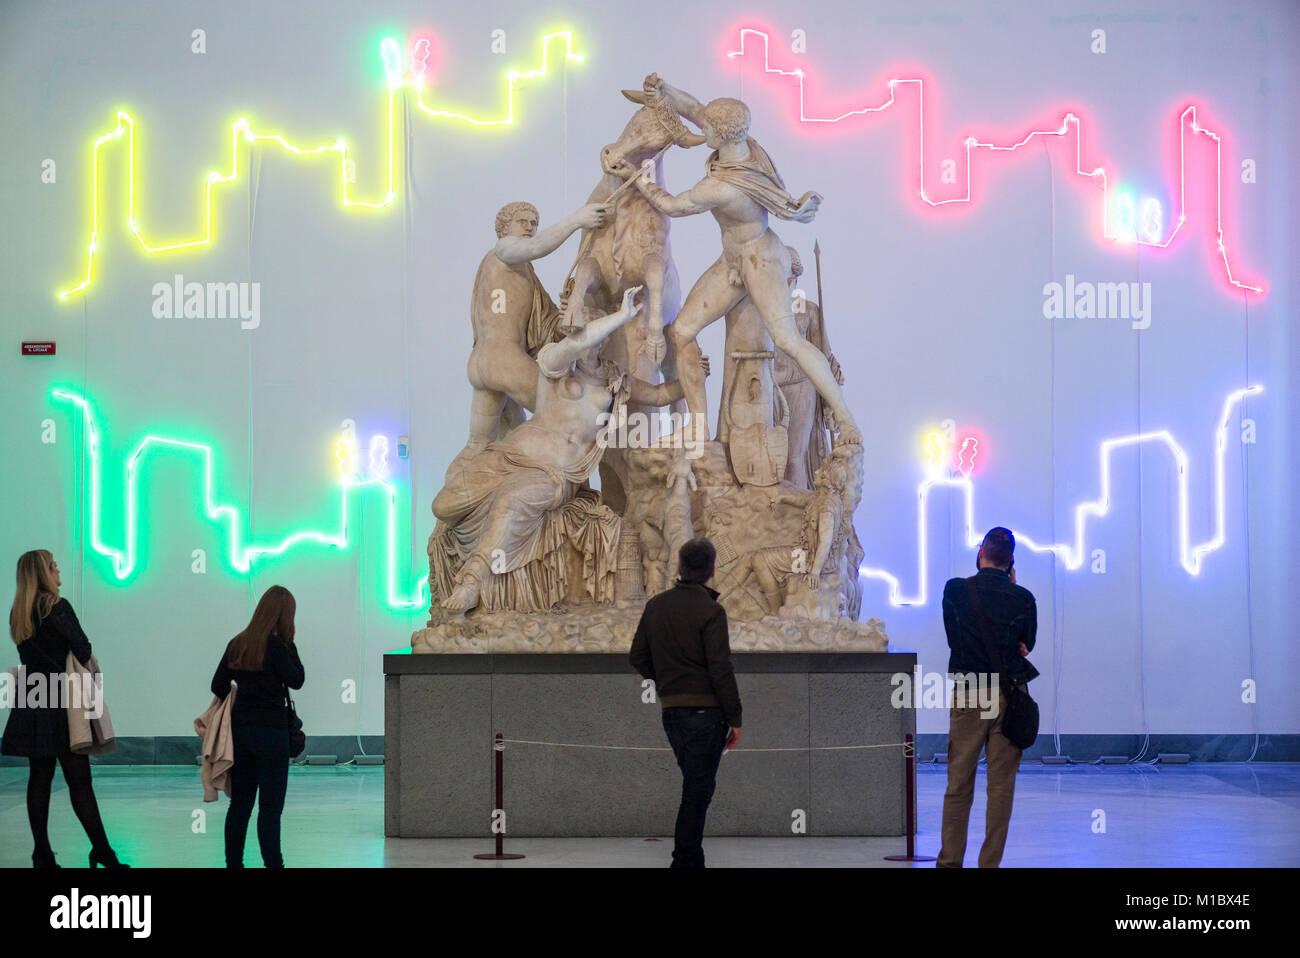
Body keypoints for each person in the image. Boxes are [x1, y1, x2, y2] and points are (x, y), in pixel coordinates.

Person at [2, 550, 128, 868]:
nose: (59, 569)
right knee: (79, 780)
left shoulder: (19, 612)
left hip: (33, 698)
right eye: (53, 565)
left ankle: (41, 853)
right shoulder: (57, 606)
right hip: (61, 701)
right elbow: (83, 649)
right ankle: (103, 852)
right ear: (44, 573)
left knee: (39, 777)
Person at [461, 199, 610, 458]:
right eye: (522, 221)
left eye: (534, 223)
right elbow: (534, 247)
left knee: (484, 445)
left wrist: (565, 313)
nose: (530, 227)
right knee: (561, 422)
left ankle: (458, 495)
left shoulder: (520, 271)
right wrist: (577, 219)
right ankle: (570, 491)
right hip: (505, 361)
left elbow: (545, 322)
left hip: (482, 362)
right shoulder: (504, 250)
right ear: (504, 227)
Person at [629, 538, 742, 868]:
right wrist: (735, 717)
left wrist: (664, 681)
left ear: (678, 568)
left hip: (672, 712)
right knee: (697, 792)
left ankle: (690, 859)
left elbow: (637, 656)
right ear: (712, 572)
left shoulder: (656, 606)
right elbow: (721, 669)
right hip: (707, 715)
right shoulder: (711, 611)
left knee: (696, 787)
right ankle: (685, 861)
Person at [937, 527, 1038, 868]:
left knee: (959, 784)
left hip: (969, 692)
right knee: (1000, 789)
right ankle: (989, 864)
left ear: (980, 553)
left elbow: (954, 639)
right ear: (1011, 562)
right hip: (1009, 696)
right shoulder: (1023, 598)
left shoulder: (954, 590)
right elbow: (1027, 644)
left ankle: (950, 862)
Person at [211, 585, 304, 868]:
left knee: (240, 806)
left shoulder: (238, 642)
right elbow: (297, 679)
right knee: (270, 809)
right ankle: (274, 865)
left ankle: (234, 864)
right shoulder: (278, 646)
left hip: (241, 732)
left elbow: (217, 685)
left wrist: (243, 697)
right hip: (272, 735)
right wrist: (290, 644)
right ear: (284, 616)